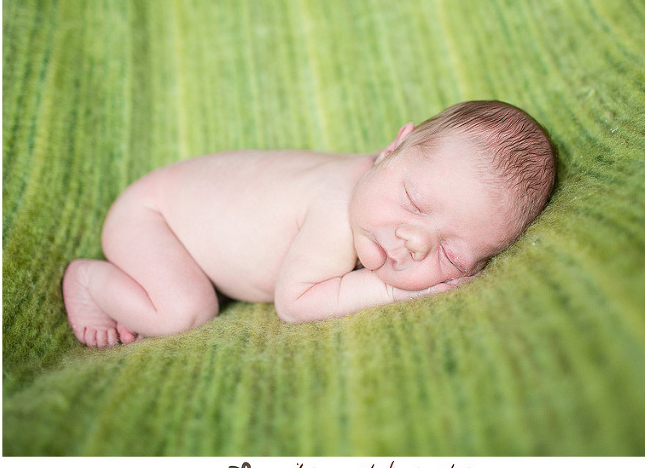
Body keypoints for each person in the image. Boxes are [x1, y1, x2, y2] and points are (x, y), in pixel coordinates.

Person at [63, 100, 556, 348]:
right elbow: (294, 303)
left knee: (184, 300)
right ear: (391, 149)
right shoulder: (336, 208)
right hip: (152, 218)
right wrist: (391, 290)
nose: (414, 242)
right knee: (186, 311)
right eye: (413, 201)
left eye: (451, 255)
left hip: (170, 212)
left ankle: (135, 289)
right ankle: (89, 281)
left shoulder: (378, 184)